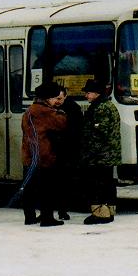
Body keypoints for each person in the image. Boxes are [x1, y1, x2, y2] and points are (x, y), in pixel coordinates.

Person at [19, 81, 67, 227]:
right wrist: (62, 112)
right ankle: (47, 218)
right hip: (43, 156)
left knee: (30, 188)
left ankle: (29, 217)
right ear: (47, 98)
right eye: (54, 98)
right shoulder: (45, 111)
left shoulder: (29, 110)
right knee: (47, 188)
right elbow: (61, 123)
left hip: (29, 155)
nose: (55, 101)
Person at [80, 78, 122, 225]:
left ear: (96, 93)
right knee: (108, 183)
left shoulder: (101, 108)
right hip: (109, 154)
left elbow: (98, 133)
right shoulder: (109, 105)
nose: (86, 95)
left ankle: (99, 213)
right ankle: (109, 211)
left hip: (100, 155)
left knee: (97, 184)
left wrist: (88, 152)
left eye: (88, 92)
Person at [54, 85, 84, 220]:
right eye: (56, 98)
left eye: (60, 98)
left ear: (66, 96)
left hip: (67, 151)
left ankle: (62, 210)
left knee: (63, 182)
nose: (58, 101)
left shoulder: (73, 109)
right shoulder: (55, 108)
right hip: (58, 151)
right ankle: (60, 209)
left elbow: (75, 131)